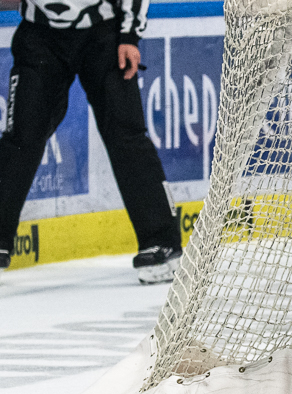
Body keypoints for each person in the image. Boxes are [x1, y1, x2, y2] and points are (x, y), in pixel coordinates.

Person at [0, 0, 182, 283]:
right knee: (21, 137)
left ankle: (161, 241)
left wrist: (130, 35)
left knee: (126, 134)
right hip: (39, 36)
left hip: (103, 35)